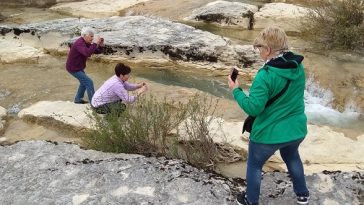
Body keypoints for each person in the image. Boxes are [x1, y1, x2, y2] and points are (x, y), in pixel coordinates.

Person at [228, 26, 309, 205]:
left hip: (268, 133)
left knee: (255, 165)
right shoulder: (297, 66)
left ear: (268, 50)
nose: (257, 52)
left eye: (259, 48)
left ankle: (250, 200)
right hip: (296, 130)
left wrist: (236, 90)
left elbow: (254, 108)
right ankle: (302, 195)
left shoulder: (265, 75)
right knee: (292, 157)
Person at [66, 27, 104, 104]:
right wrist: (95, 43)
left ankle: (78, 99)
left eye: (93, 36)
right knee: (89, 82)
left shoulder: (85, 42)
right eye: (91, 36)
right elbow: (87, 53)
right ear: (85, 35)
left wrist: (100, 45)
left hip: (78, 67)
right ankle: (94, 103)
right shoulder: (79, 43)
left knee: (84, 82)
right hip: (73, 68)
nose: (92, 38)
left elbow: (96, 51)